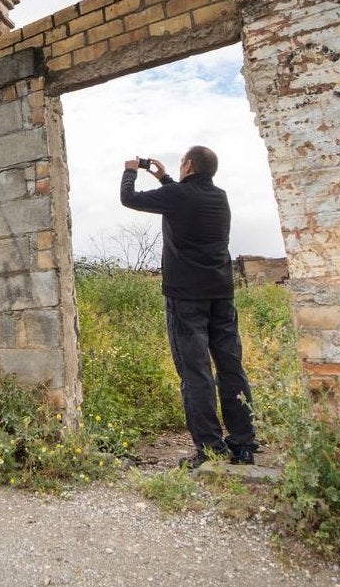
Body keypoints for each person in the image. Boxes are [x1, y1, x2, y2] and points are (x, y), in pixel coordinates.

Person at [120, 146, 257, 467]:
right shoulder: (219, 197)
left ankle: (210, 448)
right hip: (222, 295)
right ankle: (243, 444)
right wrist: (164, 176)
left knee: (195, 372)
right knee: (231, 367)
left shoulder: (179, 196)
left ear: (190, 165)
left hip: (186, 299)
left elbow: (130, 199)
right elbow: (182, 198)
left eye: (181, 163)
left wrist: (130, 170)